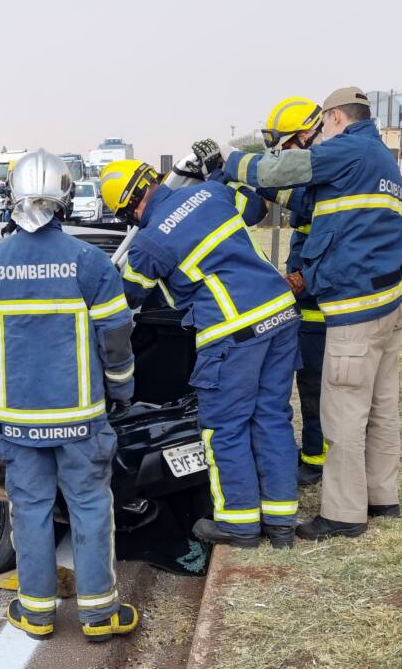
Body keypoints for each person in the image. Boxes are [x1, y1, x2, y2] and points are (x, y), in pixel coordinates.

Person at [0, 149, 140, 642]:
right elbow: (116, 334)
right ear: (66, 196)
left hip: (16, 421)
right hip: (81, 419)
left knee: (29, 509)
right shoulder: (90, 263)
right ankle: (99, 615)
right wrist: (121, 387)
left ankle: (36, 613)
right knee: (91, 506)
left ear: (11, 196)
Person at [223, 86, 402, 541]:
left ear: (335, 119)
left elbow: (276, 169)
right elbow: (312, 202)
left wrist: (228, 164)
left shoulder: (347, 148)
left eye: (324, 124)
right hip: (393, 299)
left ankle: (344, 516)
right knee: (382, 408)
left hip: (357, 306)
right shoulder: (380, 158)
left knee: (343, 413)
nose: (322, 133)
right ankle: (383, 498)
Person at [100, 156, 300, 550]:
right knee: (273, 418)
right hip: (280, 314)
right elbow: (257, 207)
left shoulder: (149, 242)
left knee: (225, 427)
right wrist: (218, 172)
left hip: (233, 331)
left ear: (129, 208)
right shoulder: (209, 192)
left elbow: (126, 299)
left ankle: (238, 525)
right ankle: (281, 524)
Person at [258, 97, 328, 485]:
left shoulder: (331, 174)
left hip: (323, 306)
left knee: (319, 389)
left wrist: (302, 278)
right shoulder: (318, 173)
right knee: (311, 388)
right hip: (310, 306)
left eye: (286, 147)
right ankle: (315, 455)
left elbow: (331, 238)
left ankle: (319, 462)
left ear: (305, 135)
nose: (284, 157)